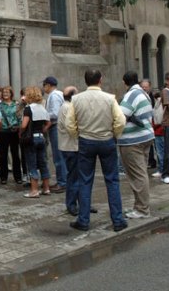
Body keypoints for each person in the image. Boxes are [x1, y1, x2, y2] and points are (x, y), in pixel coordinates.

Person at [65, 69, 127, 232]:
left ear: (86, 81)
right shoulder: (109, 98)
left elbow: (69, 123)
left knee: (85, 181)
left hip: (86, 141)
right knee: (112, 180)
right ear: (100, 79)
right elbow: (120, 120)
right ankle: (118, 220)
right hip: (106, 140)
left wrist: (78, 135)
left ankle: (84, 220)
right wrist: (114, 133)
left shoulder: (76, 99)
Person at [118, 71, 154, 219]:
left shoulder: (131, 95)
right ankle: (140, 206)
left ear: (124, 82)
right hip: (145, 136)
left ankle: (142, 209)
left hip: (133, 140)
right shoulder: (143, 93)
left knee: (138, 175)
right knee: (141, 173)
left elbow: (120, 116)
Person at [19, 86, 51, 198]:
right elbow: (48, 123)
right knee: (43, 163)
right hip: (41, 138)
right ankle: (46, 188)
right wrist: (43, 130)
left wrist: (20, 132)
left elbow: (24, 125)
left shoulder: (28, 108)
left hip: (31, 139)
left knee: (32, 164)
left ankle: (34, 190)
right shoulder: (42, 108)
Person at [58, 86, 80, 214]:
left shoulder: (68, 106)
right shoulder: (67, 107)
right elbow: (71, 127)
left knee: (78, 176)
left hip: (72, 146)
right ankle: (71, 204)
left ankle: (82, 202)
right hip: (71, 147)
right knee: (73, 177)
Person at [43, 76, 66, 194]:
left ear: (48, 85)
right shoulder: (57, 94)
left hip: (55, 127)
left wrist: (44, 115)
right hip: (56, 127)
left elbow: (55, 113)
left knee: (58, 156)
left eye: (44, 85)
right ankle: (62, 181)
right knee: (59, 155)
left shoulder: (54, 96)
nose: (44, 88)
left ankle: (62, 182)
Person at [0, 86, 25, 185]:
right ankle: (3, 177)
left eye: (7, 92)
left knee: (15, 154)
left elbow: (19, 117)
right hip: (3, 131)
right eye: (4, 92)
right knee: (3, 155)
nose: (5, 94)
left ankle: (18, 176)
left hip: (14, 131)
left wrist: (19, 129)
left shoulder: (16, 104)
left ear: (11, 94)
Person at [140, 79, 158, 168]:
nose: (144, 89)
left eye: (146, 87)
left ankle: (152, 161)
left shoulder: (152, 97)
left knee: (154, 144)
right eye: (142, 87)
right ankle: (150, 161)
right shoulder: (140, 97)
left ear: (149, 87)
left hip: (154, 124)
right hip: (146, 125)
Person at [151, 89, 166, 178]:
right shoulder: (158, 103)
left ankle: (162, 170)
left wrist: (153, 127)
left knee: (160, 152)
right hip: (158, 131)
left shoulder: (159, 104)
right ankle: (163, 169)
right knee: (161, 151)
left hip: (159, 131)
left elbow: (158, 120)